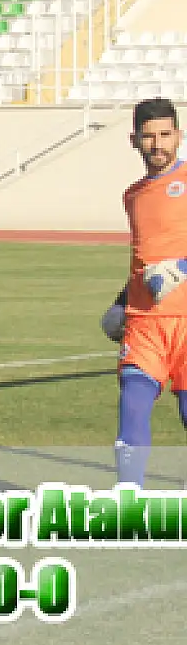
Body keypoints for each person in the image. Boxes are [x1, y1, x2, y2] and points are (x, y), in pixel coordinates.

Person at [110, 97, 187, 486]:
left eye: (165, 135)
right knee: (133, 410)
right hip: (144, 323)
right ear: (134, 140)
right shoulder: (133, 195)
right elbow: (144, 259)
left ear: (179, 135)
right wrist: (120, 302)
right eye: (148, 136)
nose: (157, 144)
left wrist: (182, 267)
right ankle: (128, 505)